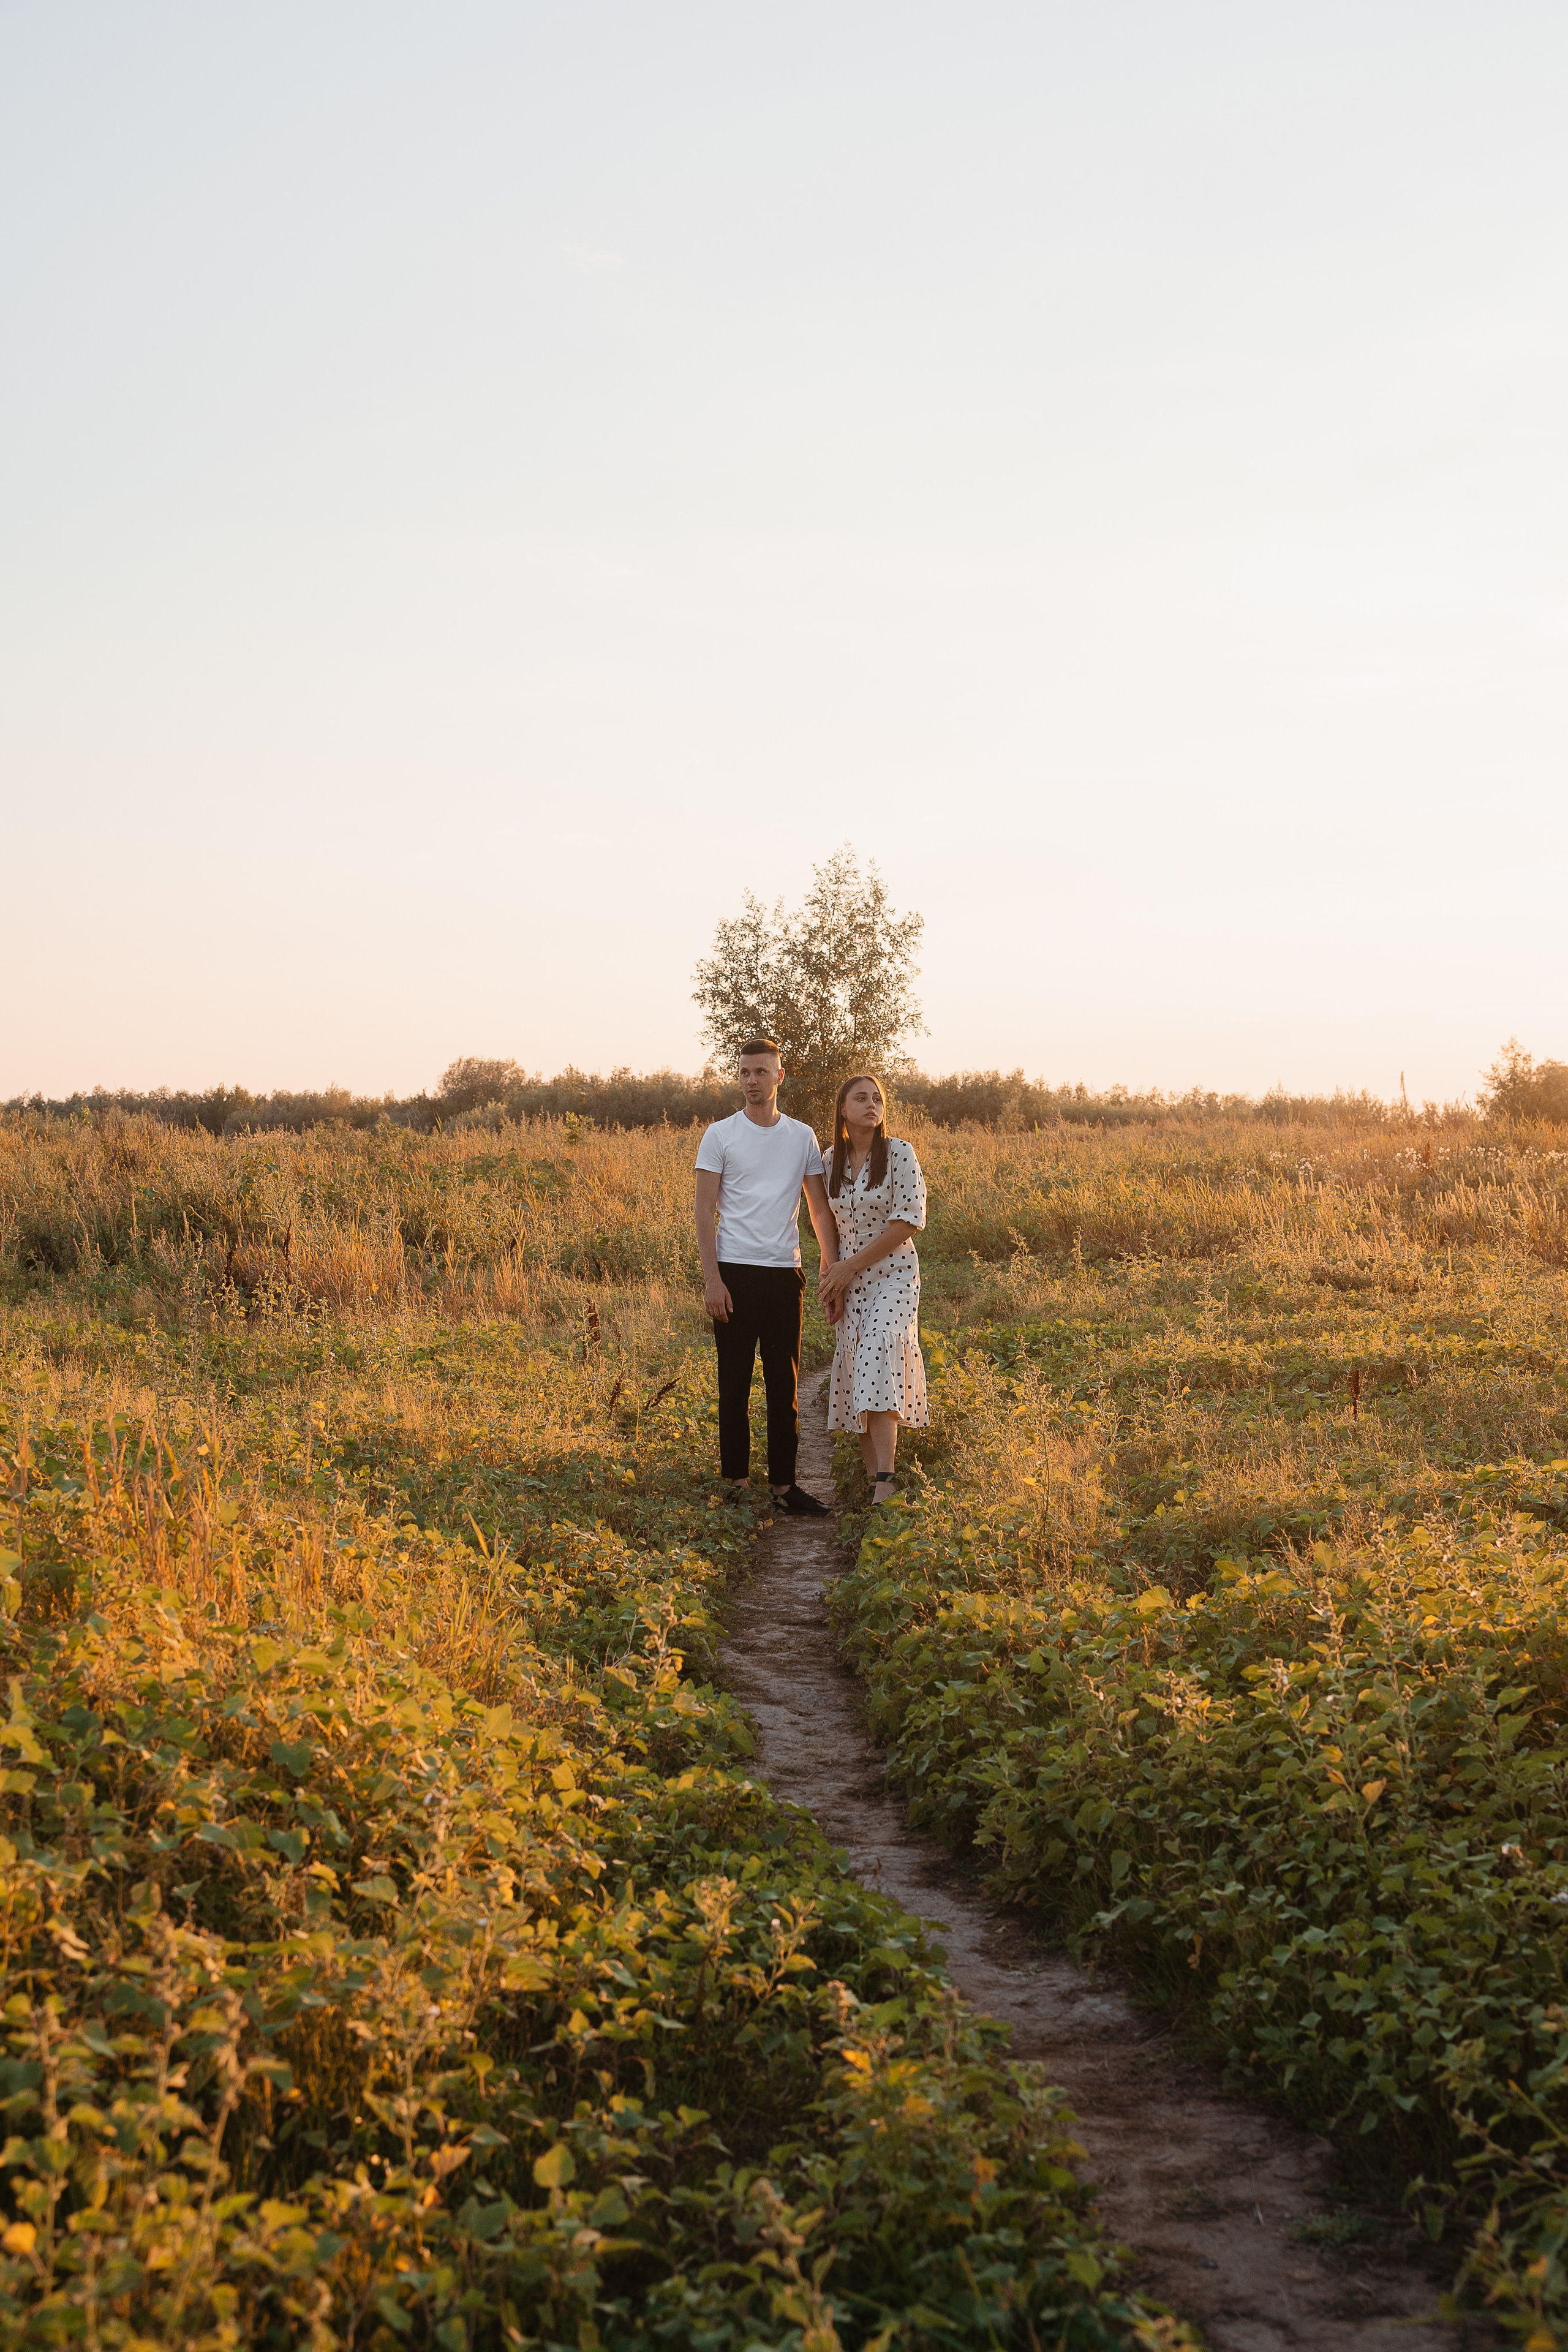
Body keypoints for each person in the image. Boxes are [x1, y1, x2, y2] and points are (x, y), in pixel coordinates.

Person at [694, 1038, 839, 1514]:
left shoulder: (802, 1136)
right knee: (733, 1383)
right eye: (744, 1073)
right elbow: (701, 1212)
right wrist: (713, 1280)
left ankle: (783, 1486)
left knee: (785, 1383)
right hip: (735, 1272)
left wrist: (828, 1267)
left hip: (784, 1273)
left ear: (779, 1076)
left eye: (761, 1072)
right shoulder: (720, 1135)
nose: (751, 1081)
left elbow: (818, 1208)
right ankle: (735, 1482)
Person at [816, 1073, 929, 1504]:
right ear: (843, 1110)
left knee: (879, 1353)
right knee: (856, 1367)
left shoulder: (899, 1153)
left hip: (895, 1276)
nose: (871, 1105)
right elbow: (826, 1222)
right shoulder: (830, 1160)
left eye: (877, 1099)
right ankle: (871, 1482)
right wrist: (834, 1281)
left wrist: (848, 1269)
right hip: (850, 1280)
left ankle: (887, 1481)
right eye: (860, 1098)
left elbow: (907, 1222)